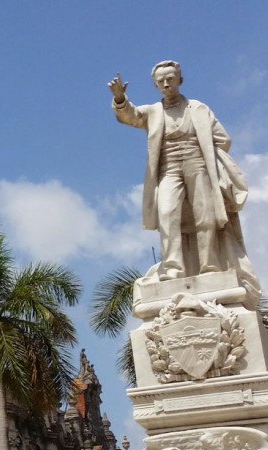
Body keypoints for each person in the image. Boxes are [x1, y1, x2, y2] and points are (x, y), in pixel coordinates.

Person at [109, 61, 258, 292]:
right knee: (167, 215)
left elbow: (222, 139)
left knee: (205, 216)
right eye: (161, 81)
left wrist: (209, 155)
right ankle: (173, 268)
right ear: (156, 85)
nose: (166, 83)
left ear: (180, 79)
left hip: (198, 165)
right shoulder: (153, 111)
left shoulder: (198, 108)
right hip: (168, 169)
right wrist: (120, 99)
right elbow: (131, 115)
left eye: (170, 78)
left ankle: (210, 266)